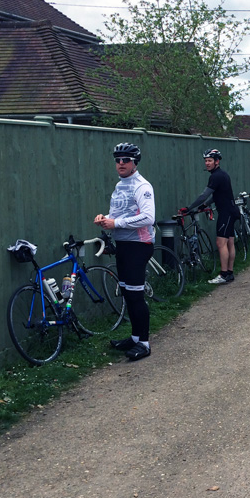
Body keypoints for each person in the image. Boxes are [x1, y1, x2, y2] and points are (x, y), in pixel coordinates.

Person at [95, 142, 155, 361]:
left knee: (136, 295)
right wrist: (105, 219)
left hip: (139, 245)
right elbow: (119, 213)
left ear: (134, 163)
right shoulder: (120, 185)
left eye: (126, 160)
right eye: (117, 160)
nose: (121, 163)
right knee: (127, 294)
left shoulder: (142, 186)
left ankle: (144, 343)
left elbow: (148, 217)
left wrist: (116, 223)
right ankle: (135, 337)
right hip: (123, 245)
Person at [182, 148, 237, 284]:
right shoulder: (222, 174)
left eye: (210, 161)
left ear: (217, 161)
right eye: (206, 161)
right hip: (231, 210)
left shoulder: (215, 176)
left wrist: (189, 208)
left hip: (226, 212)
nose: (207, 163)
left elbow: (204, 195)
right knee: (230, 242)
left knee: (221, 243)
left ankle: (223, 274)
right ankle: (229, 273)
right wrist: (205, 205)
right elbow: (217, 195)